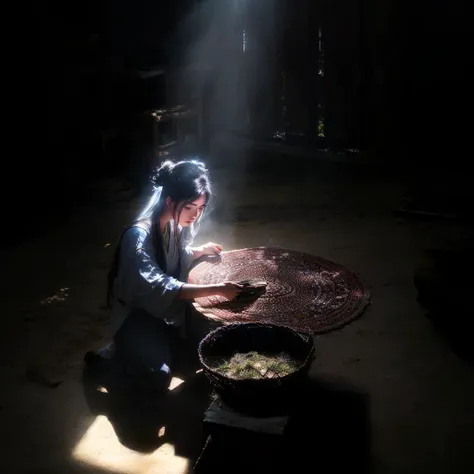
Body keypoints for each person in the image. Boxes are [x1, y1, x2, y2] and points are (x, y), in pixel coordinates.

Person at [84, 158, 242, 393]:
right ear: (170, 201)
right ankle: (111, 363)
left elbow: (175, 256)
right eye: (189, 207)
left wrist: (199, 251)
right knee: (158, 377)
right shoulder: (137, 238)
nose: (195, 215)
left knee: (207, 350)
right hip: (136, 317)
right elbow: (161, 285)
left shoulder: (173, 225)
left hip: (161, 315)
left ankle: (146, 350)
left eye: (200, 208)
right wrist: (219, 288)